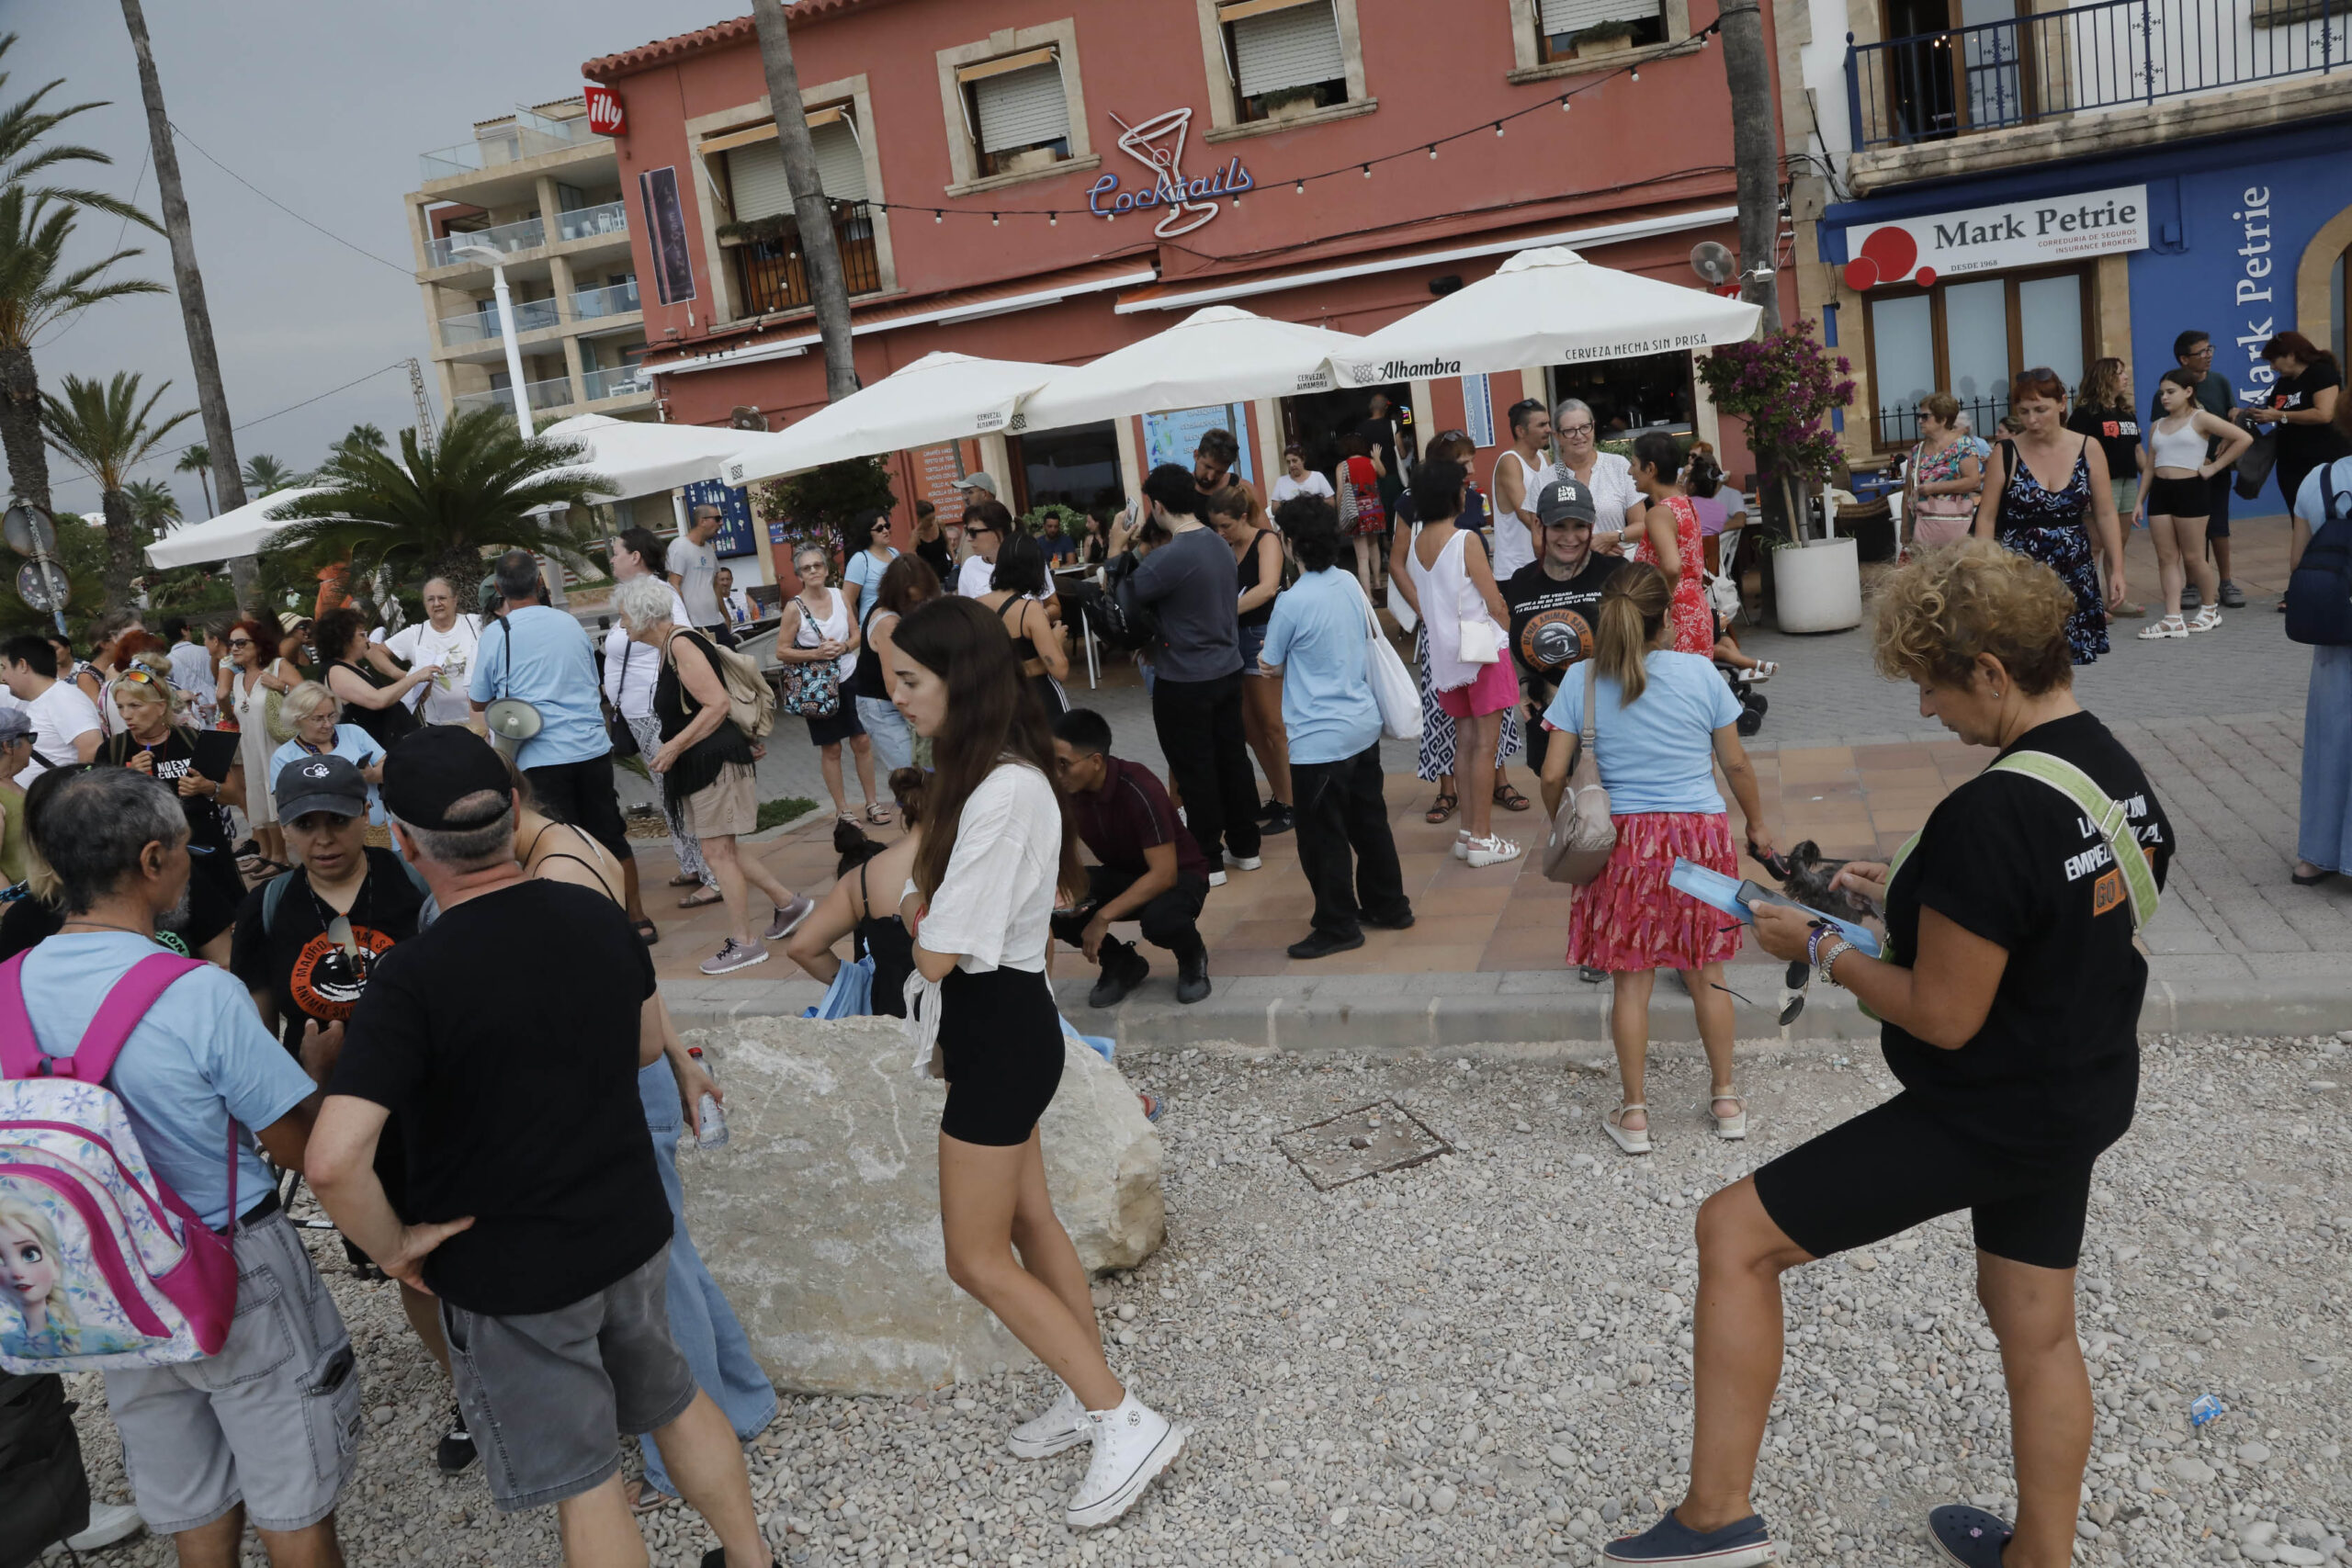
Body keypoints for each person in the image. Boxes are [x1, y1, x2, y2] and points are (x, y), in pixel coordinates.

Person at [1619, 540, 2174, 1568]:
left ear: (1991, 675)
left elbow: (1943, 1015)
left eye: (1931, 687)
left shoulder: (1989, 813)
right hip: (2083, 1087)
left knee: (1733, 1234)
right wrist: (1908, 897)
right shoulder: (2111, 770)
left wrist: (1818, 943)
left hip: (1992, 1107)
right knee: (2035, 1324)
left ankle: (1713, 1522)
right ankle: (2040, 1557)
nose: (1926, 712)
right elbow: (2057, 918)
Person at [306, 729, 771, 1568]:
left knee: (585, 1476)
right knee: (674, 1398)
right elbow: (637, 1048)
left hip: (512, 1267)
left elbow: (334, 1161)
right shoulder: (595, 913)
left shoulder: (411, 980)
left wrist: (398, 1246)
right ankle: (751, 1558)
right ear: (512, 811)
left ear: (403, 842)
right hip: (628, 1224)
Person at [885, 595, 1187, 1527]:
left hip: (999, 1028)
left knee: (973, 1257)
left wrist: (916, 911)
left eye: (909, 681)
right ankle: (1086, 1393)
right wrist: (921, 908)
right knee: (1027, 1223)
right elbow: (927, 908)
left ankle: (1120, 1417)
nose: (895, 697)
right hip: (991, 1027)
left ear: (960, 682)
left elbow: (932, 940)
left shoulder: (1004, 788)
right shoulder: (984, 777)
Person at [17, 766, 358, 1565]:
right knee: (293, 1495)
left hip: (99, 1277)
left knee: (190, 1498)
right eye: (179, 851)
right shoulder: (195, 992)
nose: (187, 867)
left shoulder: (6, 989)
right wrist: (315, 1073)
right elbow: (300, 1150)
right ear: (150, 860)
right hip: (225, 1261)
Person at [477, 742, 778, 1510]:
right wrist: (679, 1058)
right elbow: (638, 979)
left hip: (616, 1079)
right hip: (638, 1068)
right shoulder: (573, 843)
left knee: (656, 1274)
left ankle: (682, 1444)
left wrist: (661, 1064)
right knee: (672, 1254)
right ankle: (737, 1399)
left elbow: (608, 1001)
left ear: (508, 804)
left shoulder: (556, 872)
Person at [1538, 563, 1774, 1160]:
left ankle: (1636, 1114)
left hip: (1624, 842)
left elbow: (1550, 771)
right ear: (1666, 617)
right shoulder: (1701, 673)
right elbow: (1737, 764)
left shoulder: (1582, 679)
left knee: (1632, 982)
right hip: (1699, 835)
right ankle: (1725, 1100)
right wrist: (1759, 825)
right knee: (1708, 974)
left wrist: (1562, 818)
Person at [616, 573, 814, 976]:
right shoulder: (672, 645)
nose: (621, 626)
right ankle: (788, 904)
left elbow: (716, 704)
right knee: (724, 849)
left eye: (623, 617)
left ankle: (745, 943)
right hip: (709, 762)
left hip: (713, 764)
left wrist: (672, 746)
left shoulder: (681, 644)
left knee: (718, 853)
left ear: (642, 615)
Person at [468, 548, 650, 938]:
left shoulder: (496, 634)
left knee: (556, 842)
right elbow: (591, 677)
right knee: (609, 832)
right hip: (590, 747)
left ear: (499, 588)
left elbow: (478, 701)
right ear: (540, 583)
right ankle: (637, 918)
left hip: (538, 755)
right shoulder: (569, 624)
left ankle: (583, 928)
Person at [1260, 494, 1413, 958]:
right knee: (1370, 824)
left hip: (1317, 740)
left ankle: (1337, 924)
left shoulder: (1291, 602)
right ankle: (1390, 905)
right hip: (1361, 725)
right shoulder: (1347, 582)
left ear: (1290, 544)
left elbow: (1270, 663)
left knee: (1323, 839)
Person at [1114, 465, 1263, 881]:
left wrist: (1117, 548)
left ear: (1158, 506)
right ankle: (1246, 845)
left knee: (1195, 767)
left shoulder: (1171, 556)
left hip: (1185, 678)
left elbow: (1125, 597)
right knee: (1232, 758)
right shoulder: (1219, 544)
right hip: (1227, 670)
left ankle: (1207, 858)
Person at [1049, 707, 1213, 1005]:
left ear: (1096, 761)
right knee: (1052, 905)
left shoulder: (1139, 787)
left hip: (1181, 876)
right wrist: (1065, 890)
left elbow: (1164, 874)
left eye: (1064, 764)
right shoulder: (1068, 791)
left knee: (1160, 921)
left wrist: (1102, 916)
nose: (1057, 774)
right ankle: (1121, 962)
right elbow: (1061, 848)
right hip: (1125, 875)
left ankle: (1192, 957)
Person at [1404, 458, 1523, 868]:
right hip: (1482, 652)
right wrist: (1509, 636)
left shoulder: (1418, 543)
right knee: (1485, 747)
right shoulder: (1466, 539)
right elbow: (1495, 603)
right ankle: (1482, 839)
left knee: (1465, 742)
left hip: (1445, 658)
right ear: (1453, 494)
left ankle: (1468, 834)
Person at [1973, 368, 2127, 666]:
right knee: (2024, 660)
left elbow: (2106, 513)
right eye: (2024, 411)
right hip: (2019, 571)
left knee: (2066, 661)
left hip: (2075, 570)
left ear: (2061, 403)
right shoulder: (2006, 452)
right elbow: (1987, 518)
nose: (2032, 420)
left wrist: (2116, 569)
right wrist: (1983, 571)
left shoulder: (2088, 448)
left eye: (2040, 409)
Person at [606, 527, 714, 912]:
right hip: (636, 711)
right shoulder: (633, 595)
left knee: (679, 792)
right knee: (667, 793)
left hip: (655, 710)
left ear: (636, 556)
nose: (612, 558)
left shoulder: (662, 594)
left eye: (616, 551)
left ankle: (712, 873)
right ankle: (691, 863)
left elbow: (678, 639)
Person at [1503, 476, 1627, 775]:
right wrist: (1523, 685)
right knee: (1563, 808)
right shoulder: (1522, 581)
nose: (1570, 537)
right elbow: (1515, 638)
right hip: (1549, 721)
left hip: (1613, 721)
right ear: (1538, 526)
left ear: (1592, 526)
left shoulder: (1619, 575)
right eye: (1559, 526)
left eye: (1579, 526)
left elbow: (1645, 647)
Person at [99, 668, 246, 908]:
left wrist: (208, 787)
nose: (126, 715)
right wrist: (130, 778)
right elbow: (103, 814)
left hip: (207, 853)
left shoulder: (192, 739)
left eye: (135, 705)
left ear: (160, 706)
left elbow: (234, 795)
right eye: (121, 707)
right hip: (151, 863)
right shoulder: (113, 750)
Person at [781, 773, 926, 1012]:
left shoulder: (862, 877)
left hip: (893, 1023)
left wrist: (862, 982)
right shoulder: (977, 865)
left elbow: (803, 948)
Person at [2138, 367, 2255, 638]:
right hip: (2161, 492)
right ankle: (2172, 617)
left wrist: (2215, 468)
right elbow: (2149, 467)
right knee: (2166, 557)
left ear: (2188, 392)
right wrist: (2139, 501)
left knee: (2193, 557)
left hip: (2191, 489)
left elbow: (2243, 438)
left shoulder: (2200, 418)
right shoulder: (2157, 425)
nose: (2164, 397)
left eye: (2170, 392)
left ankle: (2210, 608)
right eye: (2162, 393)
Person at [1208, 479, 1294, 836]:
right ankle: (1280, 794)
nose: (1220, 532)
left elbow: (1268, 587)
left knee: (1273, 725)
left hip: (1261, 635)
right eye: (1216, 527)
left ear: (1243, 517)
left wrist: (1222, 611)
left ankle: (1294, 802)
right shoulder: (1226, 547)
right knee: (1251, 727)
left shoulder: (1265, 540)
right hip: (1234, 638)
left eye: (1225, 525)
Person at [780, 540, 883, 824]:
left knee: (862, 740)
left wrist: (845, 648)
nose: (813, 571)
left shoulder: (840, 596)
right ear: (799, 575)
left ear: (826, 569)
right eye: (806, 568)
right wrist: (816, 653)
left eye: (818, 565)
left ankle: (873, 802)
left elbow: (856, 633)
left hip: (850, 675)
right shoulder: (794, 608)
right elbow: (781, 650)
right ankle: (842, 809)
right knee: (832, 748)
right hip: (818, 686)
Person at [2245, 330, 2351, 595]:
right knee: (2300, 522)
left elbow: (2324, 413)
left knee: (2330, 522)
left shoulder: (2321, 373)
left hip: (2323, 460)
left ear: (2291, 355)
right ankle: (2304, 584)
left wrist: (2279, 416)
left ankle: (2333, 580)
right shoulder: (2282, 383)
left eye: (2274, 360)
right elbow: (2274, 412)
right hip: (2291, 462)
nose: (2272, 367)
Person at [2292, 423, 2352, 887]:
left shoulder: (2320, 478)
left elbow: (2297, 563)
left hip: (2334, 624)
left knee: (2330, 736)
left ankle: (2315, 856)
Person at [2155, 331, 2245, 611]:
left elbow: (2233, 418)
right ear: (2184, 359)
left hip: (2214, 472)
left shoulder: (2219, 382)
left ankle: (2226, 582)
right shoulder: (2171, 389)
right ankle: (2192, 585)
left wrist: (2222, 451)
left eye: (2210, 350)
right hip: (2184, 477)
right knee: (2188, 538)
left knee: (2219, 527)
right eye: (2201, 352)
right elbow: (2160, 432)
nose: (2208, 356)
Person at [2064, 358, 2147, 616]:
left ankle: (2116, 599)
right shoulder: (2085, 414)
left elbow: (2137, 450)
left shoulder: (2126, 412)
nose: (2125, 378)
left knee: (2117, 543)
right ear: (2105, 377)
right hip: (2099, 484)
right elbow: (2073, 454)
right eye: (2120, 373)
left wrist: (2155, 476)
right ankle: (2088, 603)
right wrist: (2083, 490)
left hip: (2127, 481)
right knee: (2095, 545)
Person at [1623, 433, 1711, 656]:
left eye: (1633, 464)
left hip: (1673, 618)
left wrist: (1660, 605)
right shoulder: (1684, 502)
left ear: (1650, 469)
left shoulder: (1658, 513)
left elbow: (1672, 566)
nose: (1629, 472)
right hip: (1695, 609)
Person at [853, 555, 939, 780]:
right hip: (882, 704)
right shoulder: (888, 622)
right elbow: (894, 685)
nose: (919, 605)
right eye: (914, 601)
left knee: (925, 774)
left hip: (900, 699)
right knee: (911, 777)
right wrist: (920, 723)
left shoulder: (905, 612)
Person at [978, 531, 1071, 720]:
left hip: (1001, 703)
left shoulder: (975, 606)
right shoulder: (1030, 611)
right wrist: (1056, 640)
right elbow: (1060, 670)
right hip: (1039, 700)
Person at [368, 576, 482, 727]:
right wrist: (406, 677)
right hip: (440, 724)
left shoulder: (476, 624)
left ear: (455, 600)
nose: (437, 604)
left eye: (442, 598)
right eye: (430, 599)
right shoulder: (416, 633)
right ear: (425, 604)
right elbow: (374, 653)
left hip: (482, 720)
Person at [270, 682, 389, 826]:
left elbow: (390, 767)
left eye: (332, 715)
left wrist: (372, 775)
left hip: (377, 830)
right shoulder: (283, 757)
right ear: (297, 719)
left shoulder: (354, 732)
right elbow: (285, 805)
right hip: (324, 837)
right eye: (318, 718)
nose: (328, 724)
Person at [316, 605, 432, 753]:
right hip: (380, 751)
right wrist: (415, 677)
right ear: (345, 639)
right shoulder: (336, 671)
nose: (367, 640)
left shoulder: (351, 666)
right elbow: (377, 700)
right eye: (362, 635)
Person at [2, 636, 103, 784]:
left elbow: (92, 747)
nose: (3, 677)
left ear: (22, 665)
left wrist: (75, 794)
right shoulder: (42, 700)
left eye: (4, 667)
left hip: (61, 802)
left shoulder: (63, 698)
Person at [1554, 396, 1647, 550]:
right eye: (1569, 431)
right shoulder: (1547, 478)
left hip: (1619, 565)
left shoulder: (1618, 465)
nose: (1579, 435)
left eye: (1585, 427)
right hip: (1572, 569)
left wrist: (1612, 538)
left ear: (1593, 427)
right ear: (1557, 436)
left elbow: (1642, 525)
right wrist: (1589, 549)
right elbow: (1539, 543)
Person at [1904, 392, 1989, 554]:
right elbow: (1907, 490)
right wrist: (1905, 527)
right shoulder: (1917, 451)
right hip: (1922, 527)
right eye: (1918, 416)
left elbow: (1973, 481)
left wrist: (1933, 488)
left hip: (1955, 526)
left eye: (1925, 416)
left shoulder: (1963, 446)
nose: (1920, 421)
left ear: (1943, 420)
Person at [1489, 400, 1557, 583]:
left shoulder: (1545, 458)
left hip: (1545, 565)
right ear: (1521, 431)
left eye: (1548, 423)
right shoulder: (1509, 461)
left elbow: (1561, 499)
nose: (1549, 429)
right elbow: (1525, 515)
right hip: (1515, 571)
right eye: (1542, 425)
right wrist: (1562, 538)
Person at [1334, 433, 1387, 594]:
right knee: (1374, 547)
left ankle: (1369, 595)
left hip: (1356, 514)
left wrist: (1339, 512)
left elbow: (1340, 493)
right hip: (1375, 511)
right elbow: (1383, 473)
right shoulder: (1371, 462)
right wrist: (1377, 457)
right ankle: (1377, 582)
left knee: (1362, 557)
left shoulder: (1342, 466)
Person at [669, 501, 729, 639]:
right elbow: (674, 585)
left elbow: (715, 585)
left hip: (716, 621)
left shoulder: (708, 548)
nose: (721, 523)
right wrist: (685, 622)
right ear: (703, 521)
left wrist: (726, 616)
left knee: (733, 660)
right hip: (695, 625)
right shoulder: (679, 546)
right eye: (718, 519)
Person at [841, 507, 899, 627]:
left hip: (899, 624)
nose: (885, 531)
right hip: (872, 628)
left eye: (887, 526)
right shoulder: (860, 560)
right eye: (879, 528)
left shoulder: (895, 553)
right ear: (867, 532)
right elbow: (848, 601)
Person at [956, 496, 1016, 600]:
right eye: (967, 532)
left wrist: (1031, 614)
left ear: (997, 531)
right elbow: (965, 612)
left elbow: (1052, 605)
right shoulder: (969, 566)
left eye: (973, 532)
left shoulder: (1028, 559)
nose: (969, 538)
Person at [164, 615, 219, 727]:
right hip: (214, 700)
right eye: (188, 628)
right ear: (183, 631)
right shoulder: (207, 651)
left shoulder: (167, 662)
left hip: (190, 708)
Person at [0, 708, 33, 885]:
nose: (32, 745)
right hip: (14, 906)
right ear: (8, 746)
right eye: (30, 738)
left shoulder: (12, 785)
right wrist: (10, 907)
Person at [1269, 443, 1333, 510]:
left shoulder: (1318, 477)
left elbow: (1331, 503)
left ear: (1303, 460)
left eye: (1294, 461)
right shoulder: (1281, 481)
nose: (1291, 465)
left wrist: (1314, 504)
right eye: (1288, 462)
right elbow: (1274, 509)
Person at [912, 497, 956, 583]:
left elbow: (947, 543)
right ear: (919, 518)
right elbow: (911, 556)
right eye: (928, 520)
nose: (932, 522)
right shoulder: (916, 534)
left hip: (946, 571)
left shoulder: (939, 524)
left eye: (933, 518)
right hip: (929, 579)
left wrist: (954, 560)